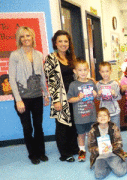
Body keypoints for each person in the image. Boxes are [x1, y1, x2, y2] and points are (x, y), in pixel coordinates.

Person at [9, 26, 49, 164]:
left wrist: (46, 94)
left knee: (38, 126)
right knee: (28, 127)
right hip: (23, 98)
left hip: (37, 96)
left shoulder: (38, 54)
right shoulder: (15, 55)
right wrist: (18, 100)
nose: (26, 39)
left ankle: (41, 152)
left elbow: (42, 76)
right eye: (22, 36)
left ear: (33, 37)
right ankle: (32, 154)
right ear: (19, 39)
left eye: (28, 36)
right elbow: (12, 79)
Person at [44, 30, 79, 162]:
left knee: (73, 123)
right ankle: (65, 153)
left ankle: (73, 148)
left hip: (73, 96)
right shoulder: (51, 59)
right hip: (61, 98)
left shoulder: (71, 58)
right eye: (60, 41)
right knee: (62, 125)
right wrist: (56, 100)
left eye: (66, 41)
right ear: (55, 43)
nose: (63, 44)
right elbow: (51, 81)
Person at [67, 59, 98, 161]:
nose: (83, 72)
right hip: (80, 116)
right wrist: (78, 98)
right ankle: (82, 151)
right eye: (80, 70)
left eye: (85, 70)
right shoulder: (73, 84)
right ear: (75, 71)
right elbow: (69, 99)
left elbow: (96, 96)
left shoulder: (91, 82)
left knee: (91, 134)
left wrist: (95, 94)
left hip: (91, 115)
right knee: (81, 135)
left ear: (88, 70)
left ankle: (93, 150)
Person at [88, 107, 127, 179]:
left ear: (109, 118)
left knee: (121, 173)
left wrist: (111, 147)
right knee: (99, 176)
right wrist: (97, 149)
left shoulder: (114, 128)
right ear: (97, 119)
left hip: (113, 154)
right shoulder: (93, 131)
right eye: (100, 116)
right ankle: (110, 167)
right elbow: (90, 147)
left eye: (105, 115)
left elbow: (119, 143)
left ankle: (118, 163)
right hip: (100, 156)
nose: (102, 117)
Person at [97, 62, 122, 128]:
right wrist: (99, 95)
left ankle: (116, 139)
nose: (105, 74)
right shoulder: (98, 84)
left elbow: (119, 97)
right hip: (103, 113)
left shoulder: (114, 84)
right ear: (99, 72)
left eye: (107, 71)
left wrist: (114, 94)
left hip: (115, 112)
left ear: (111, 71)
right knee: (105, 130)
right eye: (102, 71)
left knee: (115, 129)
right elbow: (97, 98)